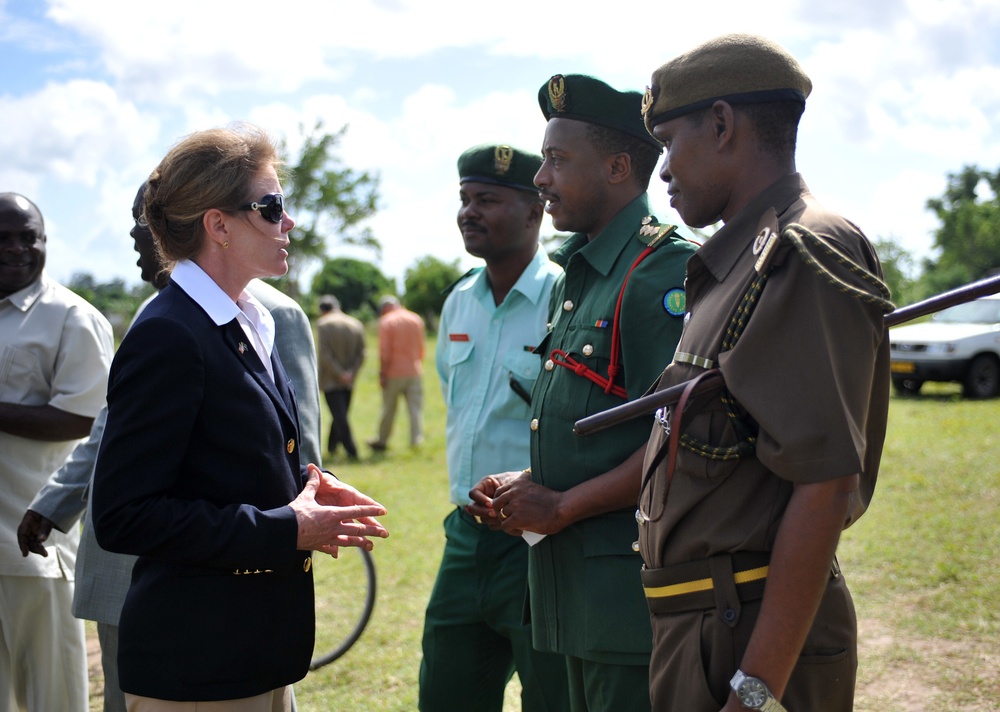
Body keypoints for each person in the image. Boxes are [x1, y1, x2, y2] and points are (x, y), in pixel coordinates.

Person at [91, 124, 388, 710]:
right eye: (271, 206)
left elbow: (222, 465)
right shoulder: (170, 336)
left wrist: (303, 488)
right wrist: (287, 527)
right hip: (198, 662)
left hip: (249, 649)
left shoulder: (246, 319)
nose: (289, 222)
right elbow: (125, 516)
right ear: (218, 225)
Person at [637, 34, 891, 711]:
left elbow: (824, 480)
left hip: (746, 634)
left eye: (669, 141)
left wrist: (755, 690)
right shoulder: (741, 258)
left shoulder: (804, 250)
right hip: (704, 625)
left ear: (722, 125)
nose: (662, 169)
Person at [16, 181, 324, 711]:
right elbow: (114, 433)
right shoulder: (162, 316)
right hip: (140, 572)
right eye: (141, 222)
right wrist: (55, 502)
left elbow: (294, 449)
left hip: (230, 578)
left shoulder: (268, 314)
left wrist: (307, 507)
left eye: (151, 221)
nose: (142, 238)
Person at [467, 75, 698, 711]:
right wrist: (530, 482)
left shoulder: (661, 272)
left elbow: (679, 438)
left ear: (620, 167)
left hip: (626, 600)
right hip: (569, 592)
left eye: (557, 160)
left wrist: (563, 504)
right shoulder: (587, 270)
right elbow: (597, 424)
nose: (541, 179)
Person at [419, 144, 569, 711]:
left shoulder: (565, 298)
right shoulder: (459, 301)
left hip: (540, 544)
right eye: (464, 199)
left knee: (553, 697)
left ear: (534, 210)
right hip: (465, 538)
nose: (469, 212)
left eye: (487, 199)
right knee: (446, 694)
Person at [0, 192, 115, 711]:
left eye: (30, 237)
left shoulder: (71, 318)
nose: (17, 248)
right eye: (3, 238)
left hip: (32, 546)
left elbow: (88, 420)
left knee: (54, 697)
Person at [368, 294, 425, 451]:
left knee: (388, 409)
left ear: (386, 308)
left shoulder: (387, 322)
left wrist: (382, 373)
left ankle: (382, 440)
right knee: (415, 409)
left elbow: (384, 352)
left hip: (394, 372)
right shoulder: (416, 319)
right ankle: (416, 440)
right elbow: (422, 347)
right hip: (414, 370)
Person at [316, 294, 365, 460]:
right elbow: (362, 353)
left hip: (331, 379)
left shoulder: (323, 324)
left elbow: (325, 354)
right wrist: (350, 373)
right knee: (340, 414)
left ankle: (352, 452)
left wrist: (339, 373)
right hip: (350, 379)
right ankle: (331, 447)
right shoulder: (355, 323)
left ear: (322, 310)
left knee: (340, 416)